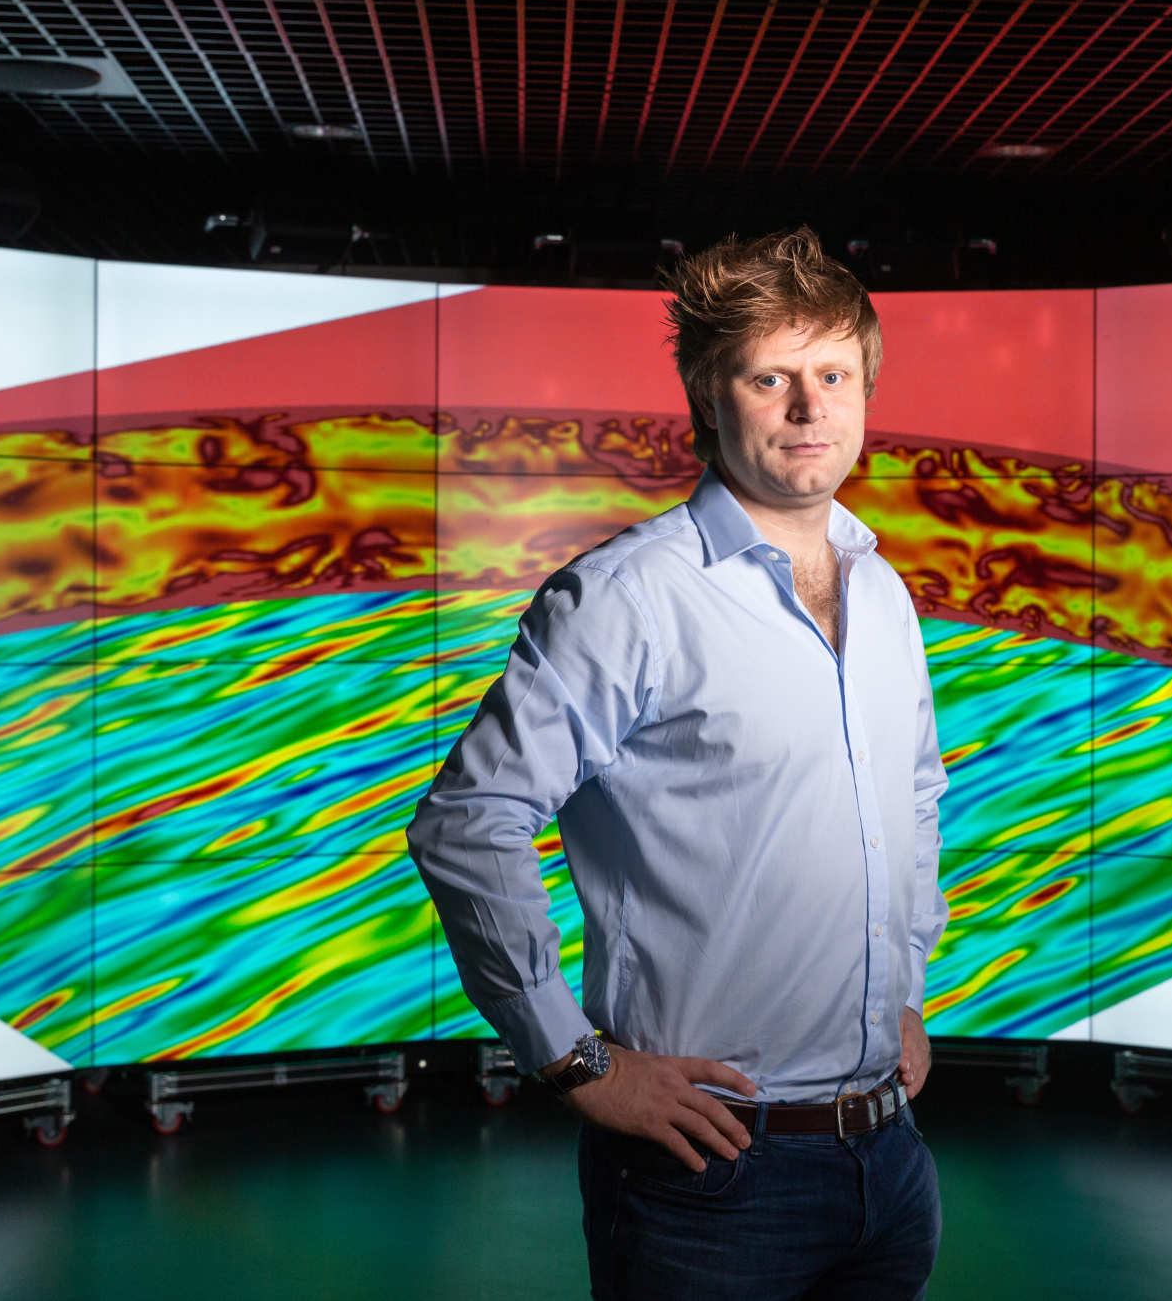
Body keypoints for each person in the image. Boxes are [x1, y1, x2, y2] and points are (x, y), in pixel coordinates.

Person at [406, 225, 952, 1300]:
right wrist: (570, 1058)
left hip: (888, 1161)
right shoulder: (626, 596)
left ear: (865, 392)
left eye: (832, 374)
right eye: (771, 378)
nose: (809, 408)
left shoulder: (881, 591)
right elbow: (469, 824)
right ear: (709, 398)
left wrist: (907, 990)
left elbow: (915, 795)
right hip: (712, 1177)